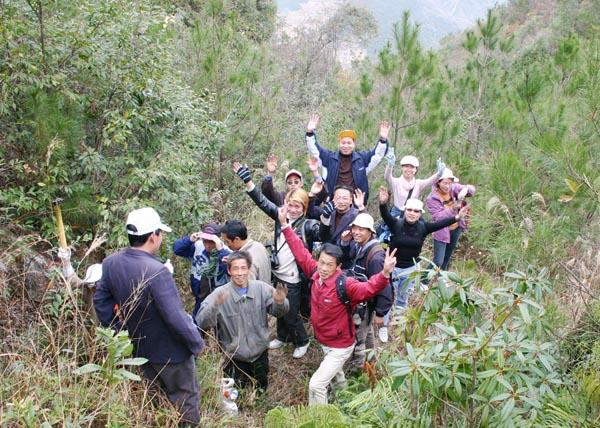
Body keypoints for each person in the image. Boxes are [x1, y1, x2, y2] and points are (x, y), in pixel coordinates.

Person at [94, 207, 204, 426]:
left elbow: (101, 303)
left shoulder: (111, 262)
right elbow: (175, 317)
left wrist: (120, 332)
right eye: (160, 234)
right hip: (171, 354)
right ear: (153, 236)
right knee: (186, 400)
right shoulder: (157, 270)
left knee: (154, 399)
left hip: (137, 350)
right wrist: (196, 343)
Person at [278, 204, 396, 405]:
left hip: (340, 346)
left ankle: (321, 419)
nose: (323, 268)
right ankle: (346, 402)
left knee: (316, 385)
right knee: (337, 378)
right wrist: (285, 226)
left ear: (338, 267)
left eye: (329, 265)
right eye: (321, 262)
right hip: (324, 340)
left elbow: (368, 288)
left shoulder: (346, 284)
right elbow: (300, 252)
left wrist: (384, 274)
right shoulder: (315, 273)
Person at [234, 162, 319, 359]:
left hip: (294, 279)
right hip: (278, 274)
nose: (293, 209)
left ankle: (302, 340)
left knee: (291, 313)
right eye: (290, 205)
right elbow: (262, 202)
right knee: (278, 307)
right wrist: (248, 181)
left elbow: (321, 230)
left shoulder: (307, 225)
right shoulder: (281, 216)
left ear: (304, 208)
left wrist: (324, 222)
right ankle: (282, 336)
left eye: (298, 206)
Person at [378, 188, 470, 333]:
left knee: (403, 296)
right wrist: (383, 203)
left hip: (410, 269)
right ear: (405, 210)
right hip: (392, 267)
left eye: (416, 211)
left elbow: (441, 224)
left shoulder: (424, 227)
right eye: (409, 210)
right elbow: (385, 215)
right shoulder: (396, 224)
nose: (412, 213)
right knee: (388, 296)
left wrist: (457, 218)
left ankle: (399, 321)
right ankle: (383, 326)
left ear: (420, 213)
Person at [195, 251, 289, 391]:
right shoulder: (219, 294)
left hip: (259, 353)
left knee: (261, 389)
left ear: (249, 268)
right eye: (235, 268)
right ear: (229, 271)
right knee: (236, 393)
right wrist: (214, 306)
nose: (240, 273)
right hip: (234, 358)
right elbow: (201, 322)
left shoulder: (261, 288)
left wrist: (280, 301)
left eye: (243, 268)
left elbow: (279, 312)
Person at [339, 213, 392, 370]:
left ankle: (357, 370)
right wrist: (344, 242)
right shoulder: (359, 246)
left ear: (371, 232)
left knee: (358, 338)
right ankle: (372, 361)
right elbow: (349, 259)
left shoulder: (375, 256)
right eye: (355, 228)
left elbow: (384, 285)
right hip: (361, 301)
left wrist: (381, 313)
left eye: (361, 229)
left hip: (365, 304)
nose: (356, 232)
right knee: (366, 332)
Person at [305, 114, 389, 203]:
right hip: (334, 202)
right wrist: (310, 133)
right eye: (343, 142)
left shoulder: (361, 159)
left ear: (354, 144)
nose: (346, 146)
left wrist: (383, 140)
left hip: (355, 203)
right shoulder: (330, 158)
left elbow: (377, 154)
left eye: (349, 143)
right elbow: (315, 150)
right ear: (339, 144)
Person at [173, 224, 231, 318]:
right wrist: (189, 240)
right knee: (198, 318)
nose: (207, 245)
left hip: (217, 295)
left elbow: (230, 269)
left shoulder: (226, 252)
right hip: (200, 292)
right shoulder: (198, 246)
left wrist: (220, 250)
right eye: (205, 241)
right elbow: (177, 250)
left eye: (211, 242)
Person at [426, 168, 476, 271]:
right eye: (445, 183)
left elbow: (472, 190)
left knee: (447, 258)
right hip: (441, 231)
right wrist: (453, 209)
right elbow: (438, 217)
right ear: (438, 182)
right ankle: (423, 280)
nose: (447, 186)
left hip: (456, 228)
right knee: (438, 261)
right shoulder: (432, 198)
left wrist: (466, 189)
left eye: (450, 183)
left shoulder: (454, 188)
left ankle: (441, 279)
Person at [220, 219, 271, 284]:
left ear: (236, 239)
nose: (226, 245)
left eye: (227, 241)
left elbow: (246, 289)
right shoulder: (259, 246)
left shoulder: (246, 261)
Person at [317, 186, 364, 250]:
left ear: (351, 200)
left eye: (345, 198)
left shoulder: (357, 215)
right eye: (338, 198)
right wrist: (325, 216)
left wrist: (361, 207)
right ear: (333, 199)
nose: (341, 201)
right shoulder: (329, 211)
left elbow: (367, 226)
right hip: (327, 251)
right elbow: (322, 236)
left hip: (346, 253)